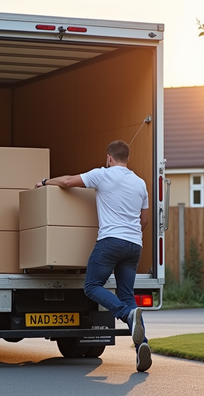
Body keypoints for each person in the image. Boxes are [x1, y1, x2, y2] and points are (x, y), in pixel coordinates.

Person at [34, 140, 151, 372]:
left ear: (109, 157)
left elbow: (68, 182)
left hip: (110, 241)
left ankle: (127, 314)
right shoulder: (140, 183)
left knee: (92, 286)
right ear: (127, 158)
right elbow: (144, 220)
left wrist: (45, 182)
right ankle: (142, 346)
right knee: (127, 295)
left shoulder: (103, 175)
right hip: (134, 244)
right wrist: (131, 237)